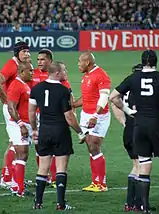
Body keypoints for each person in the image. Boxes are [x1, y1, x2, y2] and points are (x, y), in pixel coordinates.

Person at [109, 50, 159, 214]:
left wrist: (128, 111)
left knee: (143, 164)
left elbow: (113, 97)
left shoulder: (133, 78)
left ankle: (143, 207)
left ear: (142, 62)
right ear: (156, 62)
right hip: (157, 123)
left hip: (138, 125)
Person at [29, 61, 87, 210]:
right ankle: (60, 203)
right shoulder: (63, 90)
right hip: (60, 131)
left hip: (44, 131)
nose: (66, 72)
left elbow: (31, 112)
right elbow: (69, 116)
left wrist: (35, 129)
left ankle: (38, 202)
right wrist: (80, 132)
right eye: (64, 70)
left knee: (43, 168)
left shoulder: (36, 89)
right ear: (57, 73)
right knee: (61, 168)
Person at [29, 48, 74, 187]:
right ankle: (46, 176)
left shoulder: (60, 79)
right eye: (38, 60)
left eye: (42, 59)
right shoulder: (33, 73)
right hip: (37, 115)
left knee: (54, 149)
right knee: (40, 148)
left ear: (50, 61)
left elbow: (69, 99)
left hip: (54, 117)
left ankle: (54, 177)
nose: (39, 62)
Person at [73, 52, 111, 192]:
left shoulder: (101, 75)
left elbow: (104, 97)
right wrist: (72, 105)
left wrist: (95, 116)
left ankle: (102, 184)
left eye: (80, 61)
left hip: (99, 116)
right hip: (86, 115)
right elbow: (86, 98)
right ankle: (95, 182)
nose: (78, 64)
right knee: (90, 146)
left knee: (94, 145)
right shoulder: (87, 76)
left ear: (87, 62)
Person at [111, 64, 143, 212]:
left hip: (128, 130)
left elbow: (114, 103)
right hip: (139, 130)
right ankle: (137, 204)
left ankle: (130, 203)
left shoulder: (127, 88)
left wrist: (124, 122)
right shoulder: (145, 89)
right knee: (141, 166)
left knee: (136, 165)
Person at [0, 41, 30, 187]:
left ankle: (10, 176)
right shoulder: (11, 65)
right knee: (15, 143)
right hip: (12, 109)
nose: (27, 54)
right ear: (17, 52)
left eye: (28, 51)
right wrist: (4, 99)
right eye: (24, 51)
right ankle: (7, 177)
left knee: (15, 142)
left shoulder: (20, 65)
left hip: (17, 107)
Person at [7, 61, 33, 197]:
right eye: (30, 71)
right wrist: (21, 124)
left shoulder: (24, 85)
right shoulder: (16, 85)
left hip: (24, 123)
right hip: (17, 124)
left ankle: (15, 185)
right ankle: (19, 189)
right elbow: (11, 107)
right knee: (22, 153)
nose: (32, 73)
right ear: (22, 72)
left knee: (20, 155)